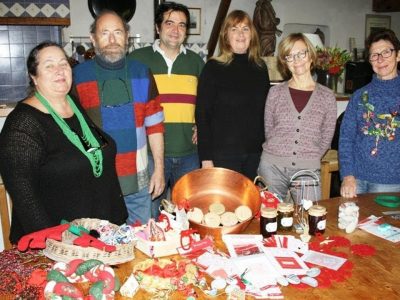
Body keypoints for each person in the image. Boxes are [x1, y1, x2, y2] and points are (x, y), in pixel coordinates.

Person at [0, 42, 128, 244]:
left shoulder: (71, 104)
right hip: (59, 245)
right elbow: (25, 198)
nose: (59, 70)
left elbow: (88, 151)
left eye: (64, 64)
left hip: (97, 234)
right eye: (49, 65)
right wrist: (56, 243)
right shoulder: (23, 124)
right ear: (34, 77)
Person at [72, 10, 165, 225]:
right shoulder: (77, 76)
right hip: (97, 183)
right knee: (102, 249)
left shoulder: (142, 72)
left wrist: (159, 169)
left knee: (140, 245)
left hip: (138, 182)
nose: (112, 40)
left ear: (127, 37)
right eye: (105, 33)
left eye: (118, 32)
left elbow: (155, 126)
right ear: (93, 39)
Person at [129, 2, 204, 219]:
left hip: (189, 153)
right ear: (157, 27)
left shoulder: (196, 62)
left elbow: (207, 103)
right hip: (151, 154)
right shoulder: (137, 60)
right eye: (169, 23)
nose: (176, 30)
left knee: (187, 217)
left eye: (182, 25)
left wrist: (201, 123)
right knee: (149, 216)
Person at [258, 33, 337, 202]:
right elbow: (269, 130)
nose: (297, 60)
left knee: (308, 221)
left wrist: (310, 158)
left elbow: (326, 137)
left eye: (301, 53)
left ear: (311, 56)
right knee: (269, 219)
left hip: (307, 169)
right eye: (290, 56)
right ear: (285, 62)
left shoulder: (327, 96)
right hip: (272, 167)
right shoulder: (275, 92)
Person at [195, 10, 270, 180]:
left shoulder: (260, 68)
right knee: (223, 206)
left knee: (250, 205)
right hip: (222, 155)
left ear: (252, 34)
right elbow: (202, 115)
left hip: (255, 154)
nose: (240, 34)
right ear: (226, 35)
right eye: (234, 29)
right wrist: (206, 159)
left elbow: (265, 112)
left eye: (245, 29)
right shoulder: (213, 68)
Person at [339, 29, 400, 198]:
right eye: (374, 55)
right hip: (356, 181)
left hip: (391, 183)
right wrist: (347, 175)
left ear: (398, 55)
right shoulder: (359, 96)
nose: (380, 59)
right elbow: (346, 139)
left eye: (386, 52)